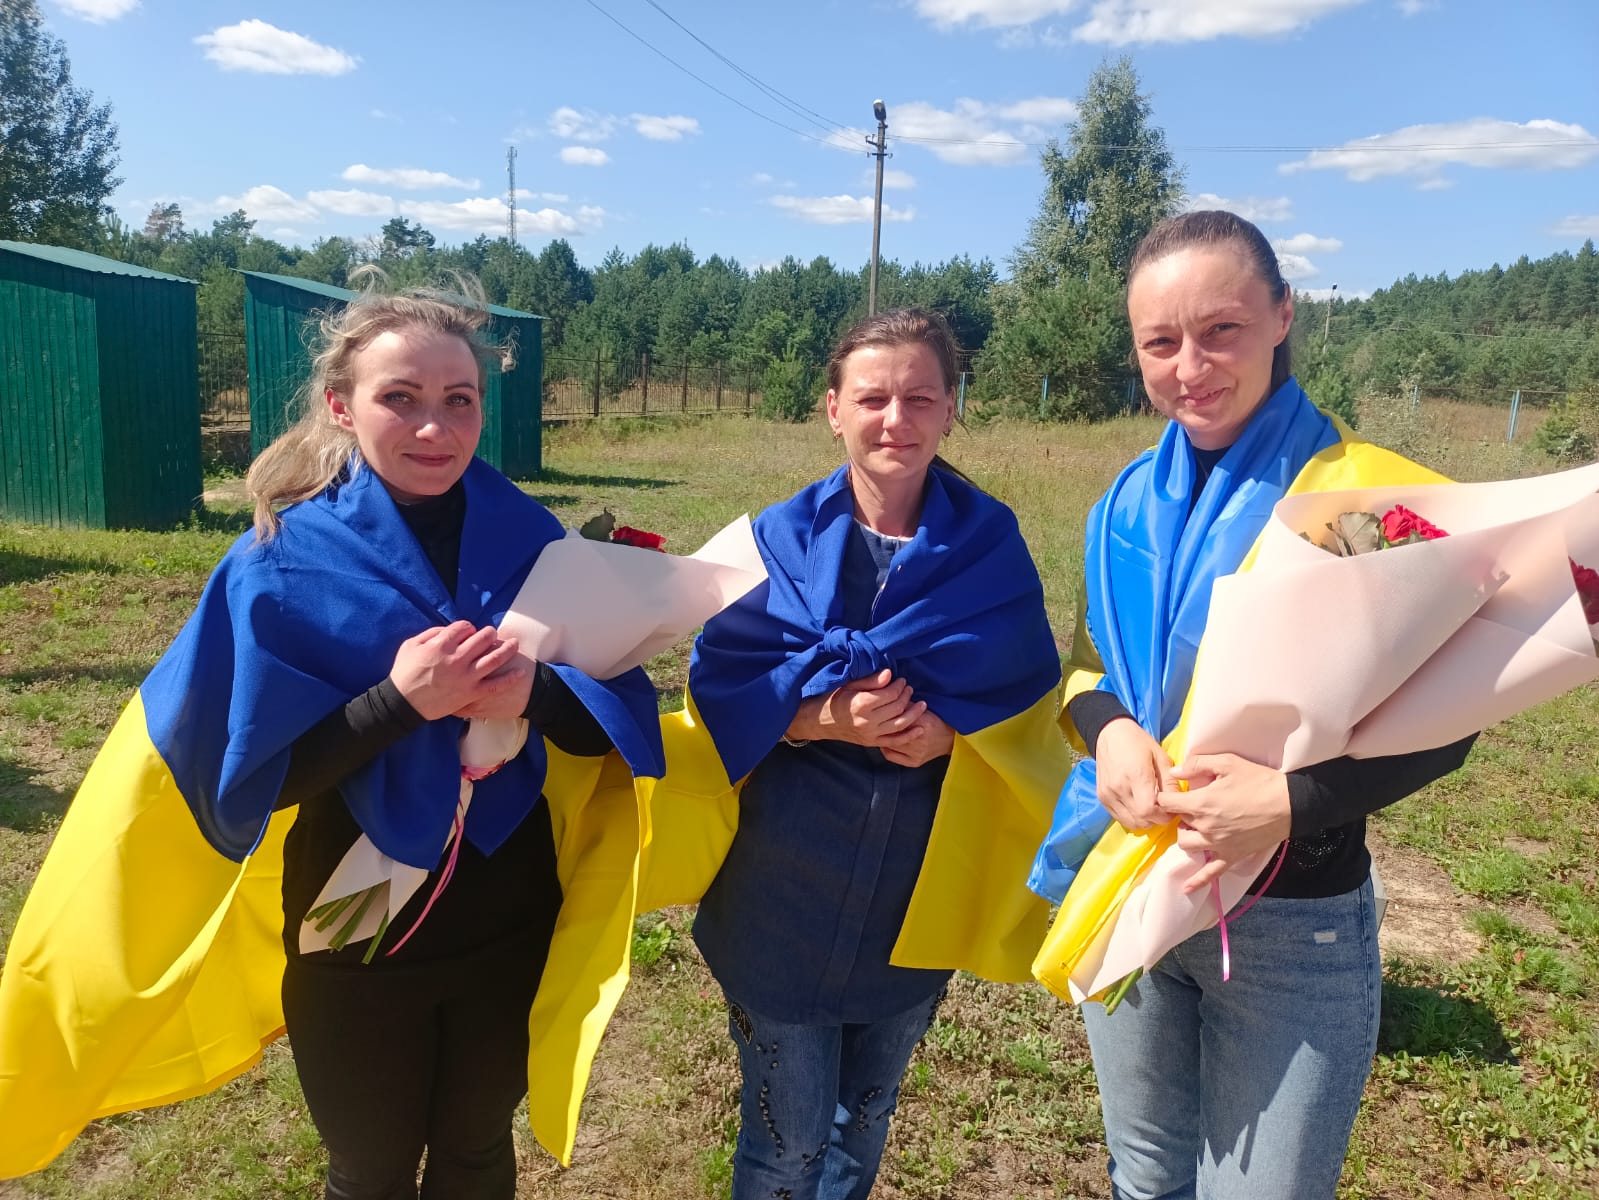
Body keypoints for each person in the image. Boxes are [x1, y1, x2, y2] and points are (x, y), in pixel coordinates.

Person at [0, 275, 662, 1197]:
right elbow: (250, 782)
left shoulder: (533, 540)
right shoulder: (279, 562)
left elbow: (606, 733)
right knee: (370, 1166)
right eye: (401, 398)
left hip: (511, 913)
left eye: (458, 400)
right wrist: (401, 701)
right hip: (354, 927)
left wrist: (537, 692)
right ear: (341, 406)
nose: (434, 428)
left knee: (476, 1148)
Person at [1057, 211, 1476, 1199]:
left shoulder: (1368, 501)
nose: (1190, 367)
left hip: (1292, 925)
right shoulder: (1123, 502)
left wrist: (1287, 802)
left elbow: (1450, 722)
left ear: (1283, 315)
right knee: (1146, 1177)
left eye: (1222, 331)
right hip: (1135, 878)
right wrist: (1110, 732)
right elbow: (1086, 665)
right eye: (1160, 342)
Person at [663, 307, 1074, 1200]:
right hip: (781, 895)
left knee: (866, 1117)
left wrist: (952, 735)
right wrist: (818, 717)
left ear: (950, 409)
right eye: (872, 398)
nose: (896, 419)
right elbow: (719, 684)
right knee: (787, 1144)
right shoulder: (771, 541)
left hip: (914, 893)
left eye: (919, 398)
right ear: (833, 410)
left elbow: (1025, 696)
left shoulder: (990, 544)